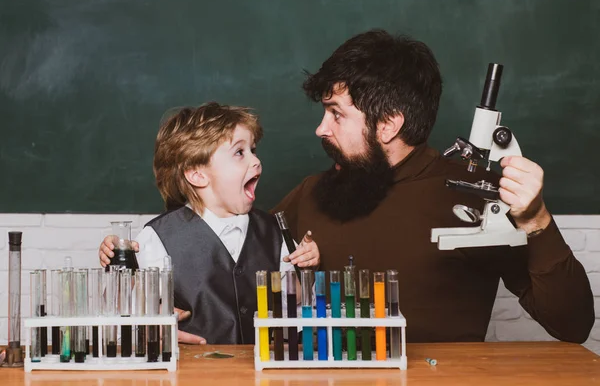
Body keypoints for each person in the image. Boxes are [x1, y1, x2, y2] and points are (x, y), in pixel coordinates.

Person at [273, 29, 594, 343]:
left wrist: (536, 220)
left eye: (335, 114)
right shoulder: (310, 192)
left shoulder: (477, 195)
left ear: (387, 125)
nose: (320, 129)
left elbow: (572, 325)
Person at [99, 102, 320, 344]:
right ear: (198, 175)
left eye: (253, 150)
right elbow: (122, 318)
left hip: (262, 372)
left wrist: (306, 270)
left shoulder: (275, 232)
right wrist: (119, 269)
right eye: (240, 152)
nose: (256, 161)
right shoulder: (158, 237)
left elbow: (297, 304)